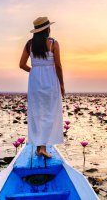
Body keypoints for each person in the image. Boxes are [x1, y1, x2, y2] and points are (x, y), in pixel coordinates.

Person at [19, 16, 65, 158]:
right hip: (50, 80)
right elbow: (58, 65)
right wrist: (62, 84)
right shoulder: (53, 43)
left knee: (37, 112)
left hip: (35, 81)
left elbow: (21, 65)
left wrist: (34, 71)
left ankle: (40, 146)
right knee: (50, 112)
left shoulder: (29, 44)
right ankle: (42, 147)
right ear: (47, 29)